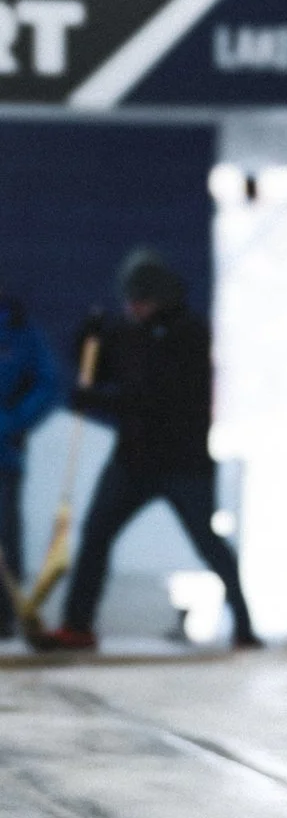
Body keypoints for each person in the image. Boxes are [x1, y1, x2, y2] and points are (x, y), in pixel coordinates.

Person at [39, 248, 256, 653]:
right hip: (132, 460)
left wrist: (98, 402)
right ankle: (77, 625)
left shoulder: (189, 333)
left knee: (207, 542)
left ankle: (244, 624)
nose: (134, 308)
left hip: (182, 463)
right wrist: (86, 340)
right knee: (96, 535)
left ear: (160, 299)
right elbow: (97, 371)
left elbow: (162, 397)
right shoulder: (125, 332)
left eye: (142, 301)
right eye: (130, 301)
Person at [0, 290, 63, 643]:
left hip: (4, 453)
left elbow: (47, 383)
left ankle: (6, 614)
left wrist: (11, 421)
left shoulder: (19, 331)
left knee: (6, 532)